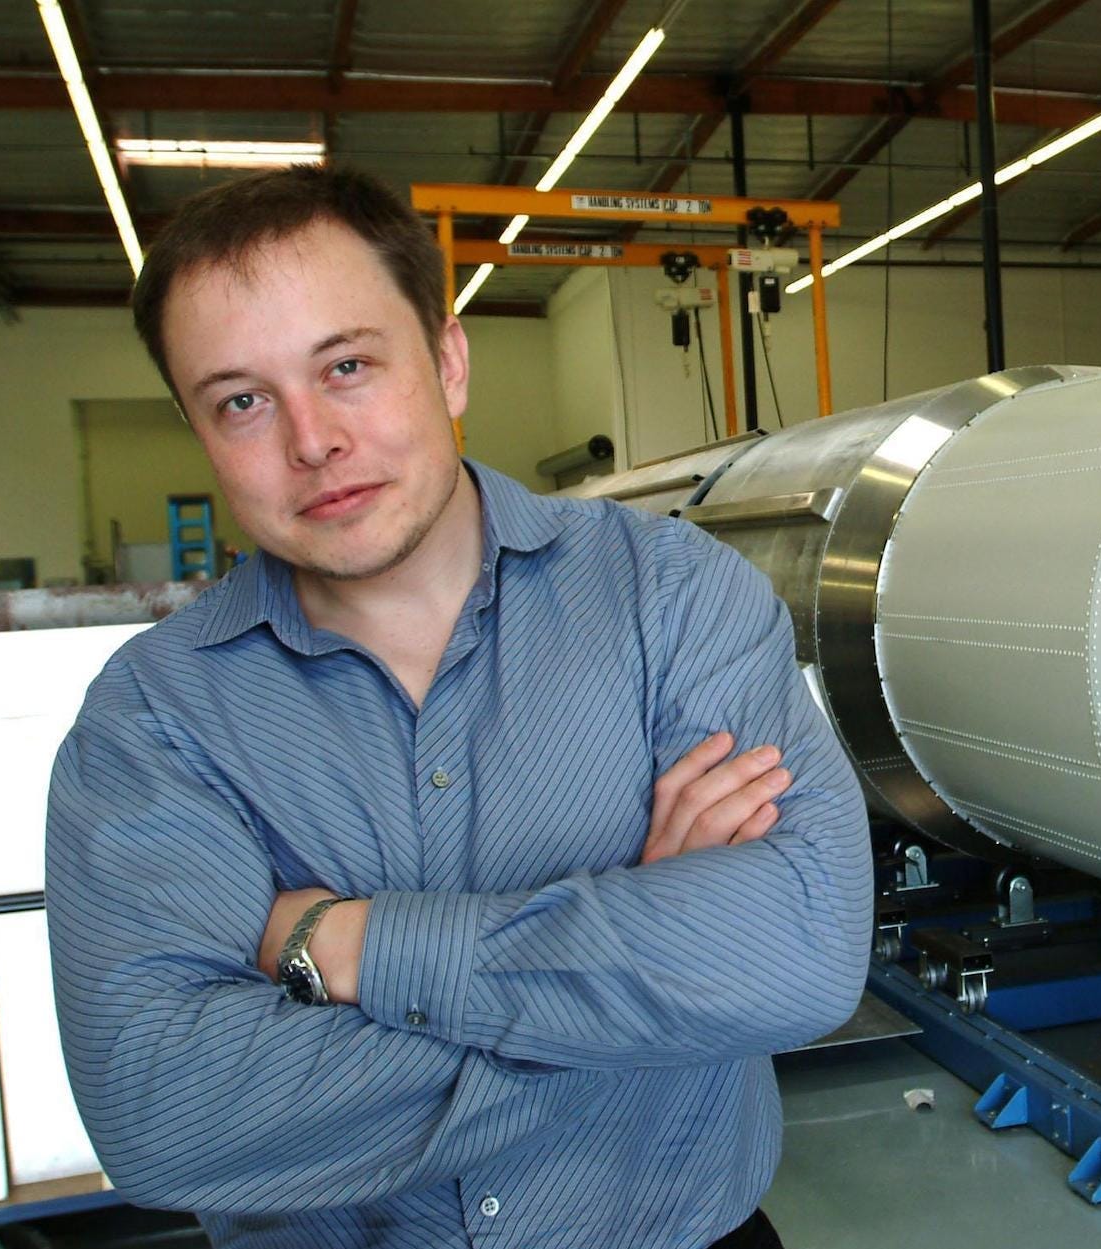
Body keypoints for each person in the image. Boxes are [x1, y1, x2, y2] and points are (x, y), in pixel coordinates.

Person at [43, 165, 872, 1249]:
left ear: (446, 360)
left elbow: (796, 954)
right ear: (200, 430)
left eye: (347, 366)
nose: (310, 440)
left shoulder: (670, 595)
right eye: (242, 400)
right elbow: (165, 1111)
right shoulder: (157, 715)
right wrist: (647, 992)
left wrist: (348, 946)